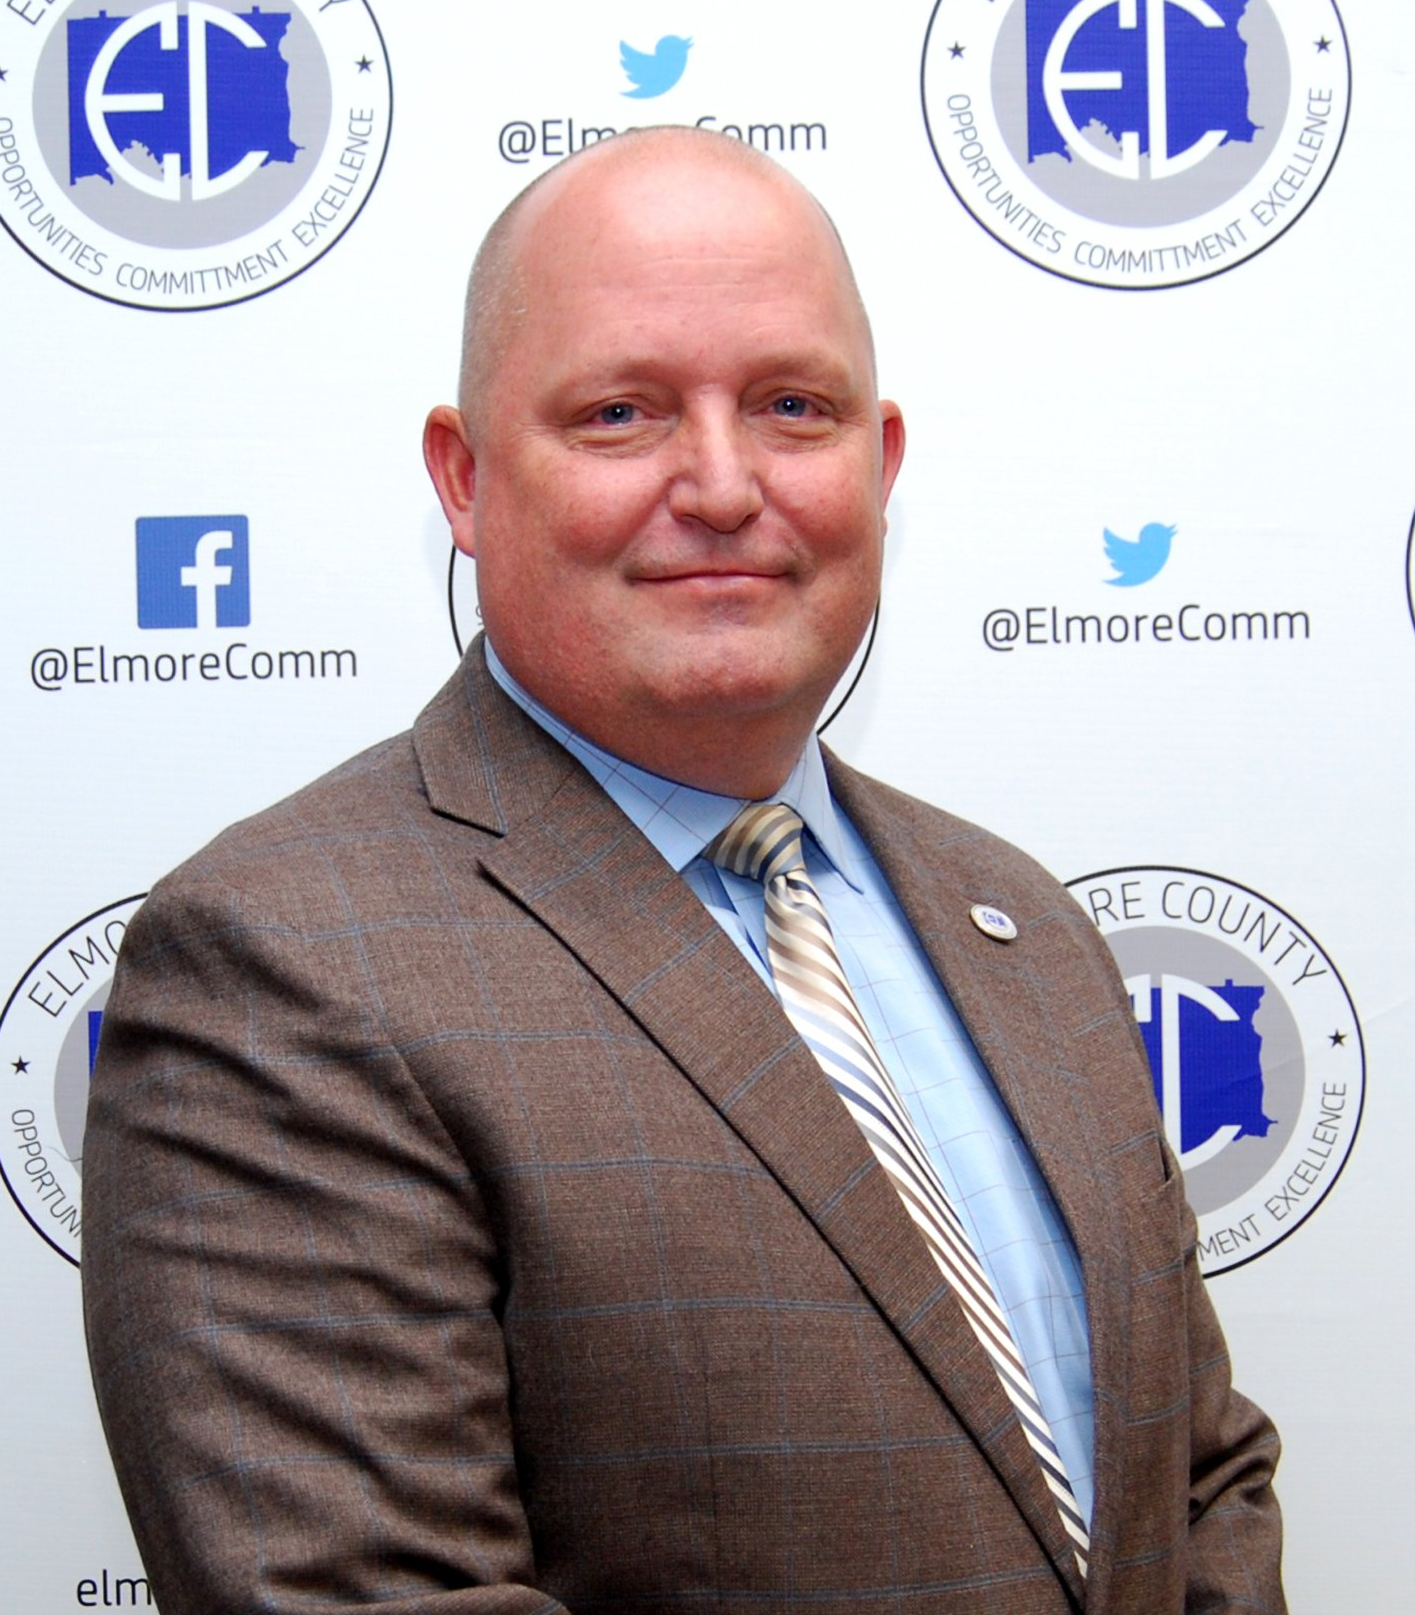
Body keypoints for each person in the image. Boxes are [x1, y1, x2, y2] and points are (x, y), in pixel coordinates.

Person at [83, 128, 1286, 1615]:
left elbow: (1197, 1477)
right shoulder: (281, 966)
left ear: (879, 462)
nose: (721, 485)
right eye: (619, 414)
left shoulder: (1020, 921)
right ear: (463, 478)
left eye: (792, 407)